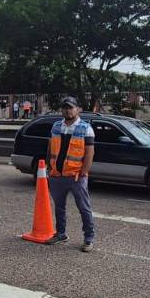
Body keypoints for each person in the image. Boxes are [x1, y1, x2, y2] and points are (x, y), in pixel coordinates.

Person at [45, 97, 96, 252]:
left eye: (71, 107)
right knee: (59, 207)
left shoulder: (85, 128)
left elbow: (89, 153)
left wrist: (83, 173)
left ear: (78, 109)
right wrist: (50, 168)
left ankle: (89, 238)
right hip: (57, 175)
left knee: (84, 208)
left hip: (76, 177)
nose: (67, 110)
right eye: (65, 108)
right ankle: (61, 234)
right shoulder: (56, 126)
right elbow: (50, 148)